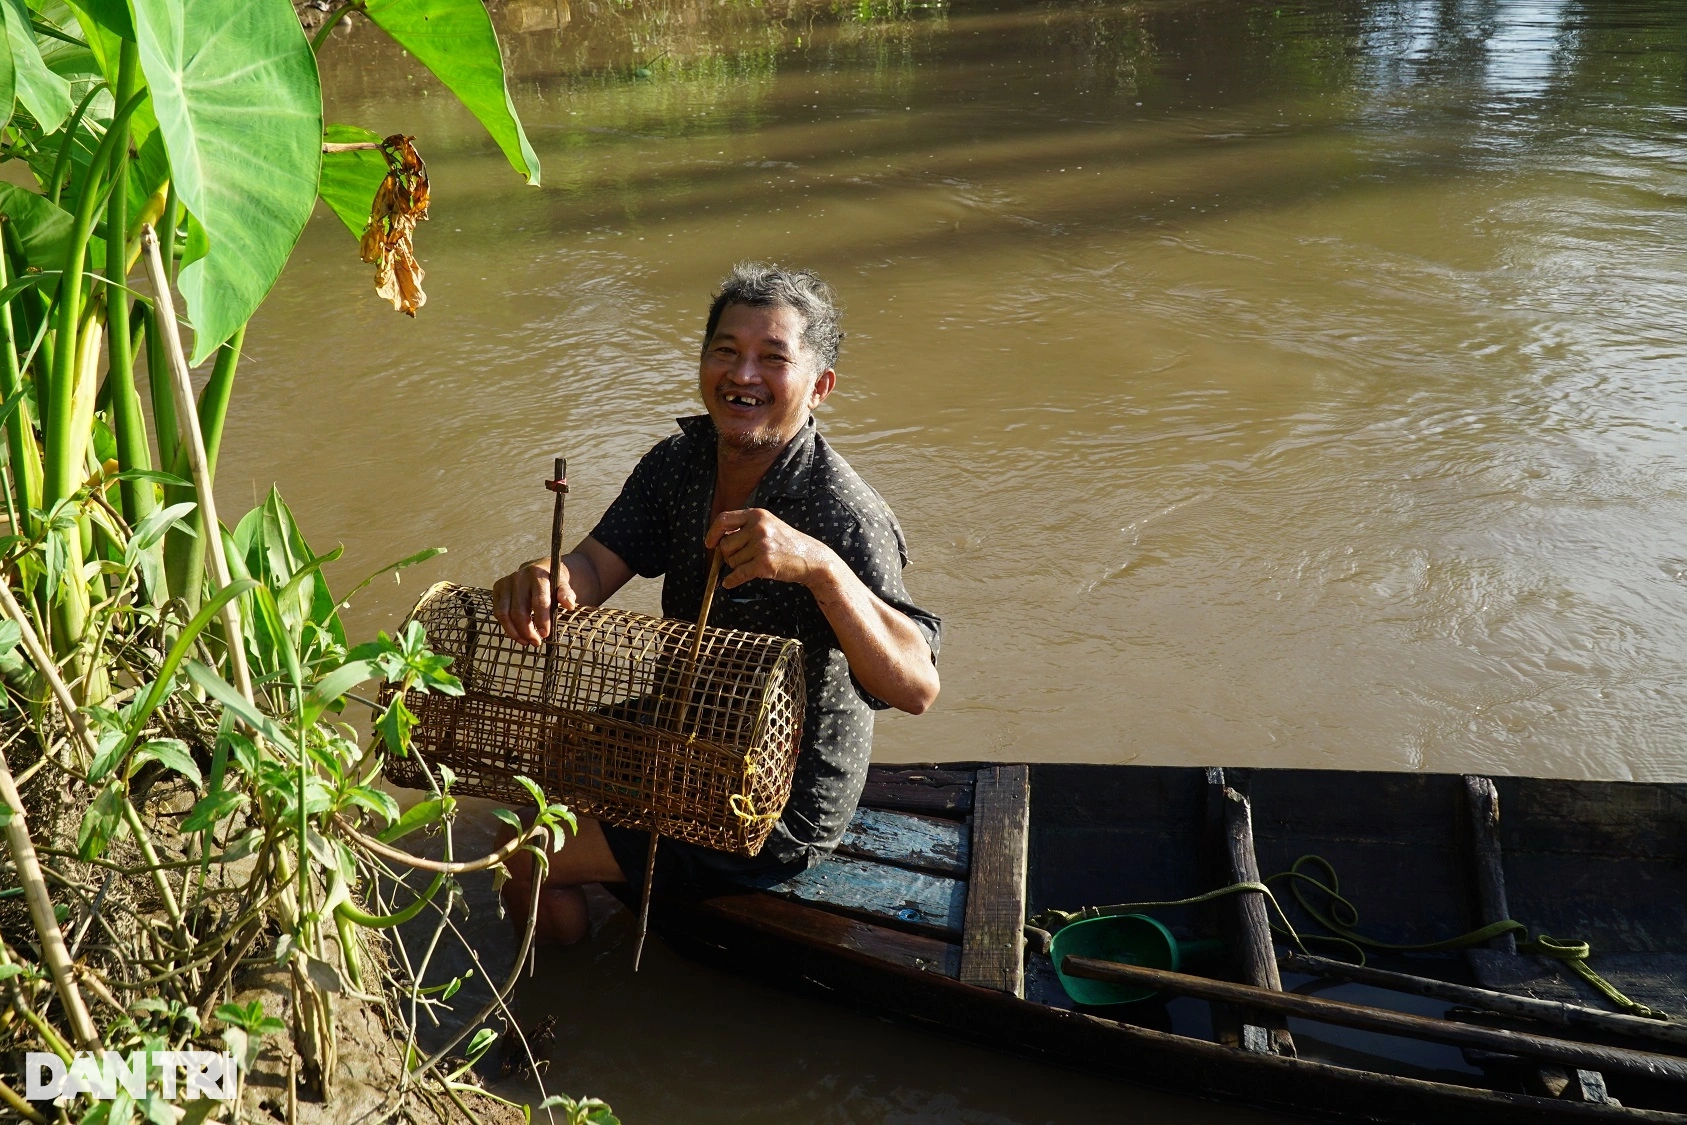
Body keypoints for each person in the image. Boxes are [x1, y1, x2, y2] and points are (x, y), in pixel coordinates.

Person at [492, 263, 941, 944]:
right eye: (725, 352)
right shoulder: (679, 462)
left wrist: (819, 567)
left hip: (773, 797)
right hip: (683, 732)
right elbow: (592, 564)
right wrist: (546, 578)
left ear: (819, 387)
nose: (743, 375)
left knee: (522, 852)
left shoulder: (842, 512)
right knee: (529, 782)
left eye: (772, 358)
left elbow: (915, 685)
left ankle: (558, 1008)